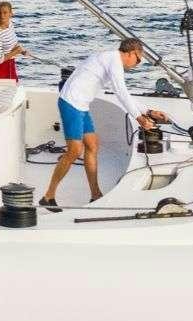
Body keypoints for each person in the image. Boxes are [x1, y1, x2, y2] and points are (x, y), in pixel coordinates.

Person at [40, 37, 168, 210]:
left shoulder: (111, 60)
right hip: (71, 103)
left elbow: (124, 94)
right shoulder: (113, 61)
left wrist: (148, 111)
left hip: (81, 105)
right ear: (131, 53)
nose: (138, 64)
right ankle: (48, 197)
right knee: (75, 151)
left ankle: (95, 194)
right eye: (138, 59)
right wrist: (138, 118)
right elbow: (121, 92)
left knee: (92, 145)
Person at [0, 1, 29, 80]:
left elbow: (14, 42)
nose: (2, 15)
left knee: (14, 91)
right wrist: (15, 52)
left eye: (5, 12)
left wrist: (22, 51)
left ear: (11, 14)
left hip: (10, 66)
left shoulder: (10, 24)